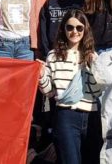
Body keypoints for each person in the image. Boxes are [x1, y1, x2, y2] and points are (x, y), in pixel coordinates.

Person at [38, 9, 101, 164]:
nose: (74, 31)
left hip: (91, 115)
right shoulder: (53, 55)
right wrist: (40, 76)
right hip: (66, 115)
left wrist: (92, 67)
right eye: (70, 27)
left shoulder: (92, 55)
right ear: (63, 29)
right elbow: (49, 92)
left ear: (85, 30)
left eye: (79, 28)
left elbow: (97, 91)